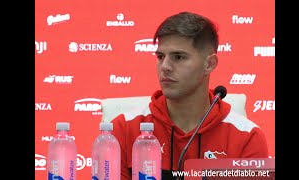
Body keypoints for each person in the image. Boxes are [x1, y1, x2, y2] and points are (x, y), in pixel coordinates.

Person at [111, 11, 268, 179]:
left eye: (178, 57)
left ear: (209, 64)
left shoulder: (246, 137)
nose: (165, 67)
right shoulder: (124, 129)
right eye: (160, 57)